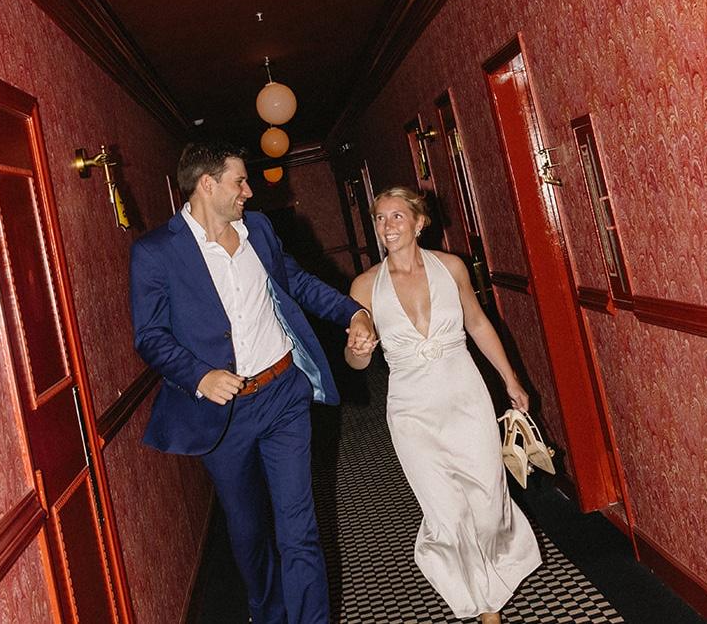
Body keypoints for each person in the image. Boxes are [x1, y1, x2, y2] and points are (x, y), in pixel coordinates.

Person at [130, 139, 377, 624]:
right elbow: (150, 336)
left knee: (299, 527)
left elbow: (297, 282)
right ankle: (268, 613)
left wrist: (352, 312)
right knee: (248, 533)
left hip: (283, 394)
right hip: (225, 415)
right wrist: (200, 376)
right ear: (207, 184)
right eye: (239, 181)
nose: (248, 191)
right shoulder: (156, 252)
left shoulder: (258, 230)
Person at [345, 186, 541, 623]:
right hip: (410, 410)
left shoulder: (451, 268)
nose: (387, 226)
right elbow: (355, 361)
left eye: (397, 216)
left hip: (465, 397)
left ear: (419, 223)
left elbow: (478, 323)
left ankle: (497, 574)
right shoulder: (364, 286)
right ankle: (486, 607)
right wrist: (358, 349)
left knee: (487, 503)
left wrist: (510, 379)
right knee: (446, 512)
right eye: (380, 218)